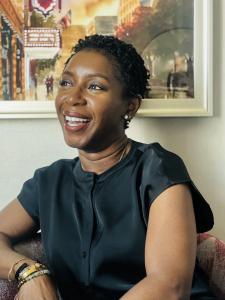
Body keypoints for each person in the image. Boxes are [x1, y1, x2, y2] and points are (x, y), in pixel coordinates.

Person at [0, 35, 214, 300]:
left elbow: (169, 286)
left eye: (95, 87)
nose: (72, 98)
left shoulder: (158, 169)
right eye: (66, 82)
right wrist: (28, 272)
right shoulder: (50, 181)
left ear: (130, 107)